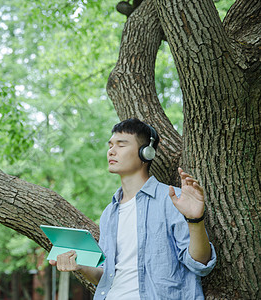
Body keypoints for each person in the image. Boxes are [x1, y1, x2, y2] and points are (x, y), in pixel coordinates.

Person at [49, 118, 216, 299]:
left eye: (121, 145)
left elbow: (200, 264)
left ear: (146, 153)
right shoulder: (109, 213)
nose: (111, 151)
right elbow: (105, 275)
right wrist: (80, 266)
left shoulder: (173, 199)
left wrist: (195, 220)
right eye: (110, 145)